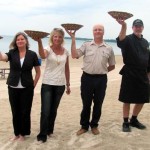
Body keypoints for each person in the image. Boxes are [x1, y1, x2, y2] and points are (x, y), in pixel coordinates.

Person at [65, 24, 115, 135]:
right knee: (86, 103)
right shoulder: (86, 45)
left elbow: (112, 65)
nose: (97, 31)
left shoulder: (109, 48)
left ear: (103, 32)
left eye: (100, 30)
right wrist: (73, 39)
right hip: (87, 78)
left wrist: (101, 71)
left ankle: (94, 125)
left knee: (98, 103)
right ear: (93, 32)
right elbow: (74, 55)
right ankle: (84, 126)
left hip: (101, 80)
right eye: (95, 30)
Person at [32, 28, 71, 143]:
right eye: (55, 36)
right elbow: (42, 56)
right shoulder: (48, 49)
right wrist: (39, 42)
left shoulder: (66, 51)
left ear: (62, 38)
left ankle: (49, 130)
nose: (57, 38)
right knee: (45, 110)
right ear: (52, 38)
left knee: (53, 110)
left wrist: (68, 84)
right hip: (48, 84)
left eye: (59, 37)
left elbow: (67, 69)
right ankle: (42, 134)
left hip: (60, 85)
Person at [0, 32, 41, 141]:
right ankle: (16, 133)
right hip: (13, 87)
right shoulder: (12, 53)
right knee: (15, 111)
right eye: (18, 39)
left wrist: (33, 85)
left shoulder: (32, 54)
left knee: (25, 111)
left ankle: (23, 133)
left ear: (26, 41)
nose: (20, 41)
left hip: (27, 88)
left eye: (22, 39)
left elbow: (38, 72)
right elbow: (2, 57)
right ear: (15, 42)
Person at [116, 19, 150, 132]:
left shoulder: (146, 42)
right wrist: (123, 25)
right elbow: (120, 40)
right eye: (136, 26)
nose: (138, 27)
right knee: (127, 99)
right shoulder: (128, 39)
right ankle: (125, 122)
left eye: (140, 26)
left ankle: (134, 120)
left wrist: (148, 76)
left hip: (143, 73)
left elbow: (148, 60)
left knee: (142, 98)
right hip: (129, 72)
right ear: (132, 27)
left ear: (143, 28)